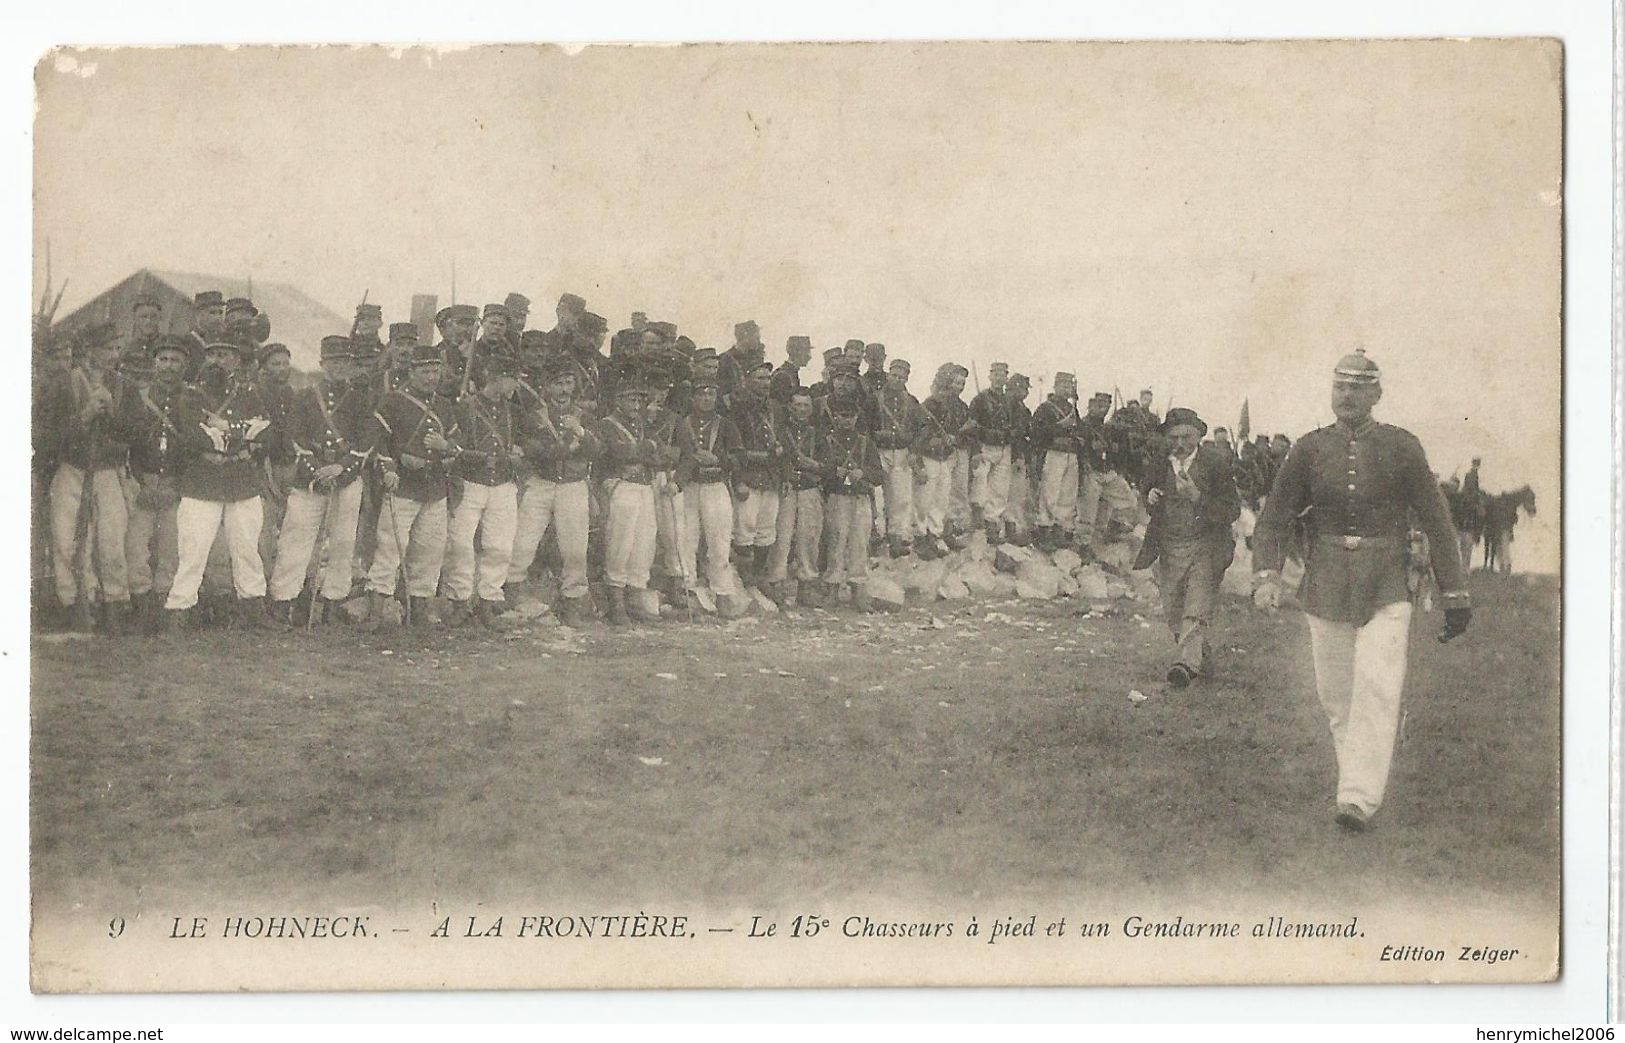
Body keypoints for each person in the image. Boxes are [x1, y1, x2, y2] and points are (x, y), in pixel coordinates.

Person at [1252, 349, 1471, 833]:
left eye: (1357, 388)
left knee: (1377, 685)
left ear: (1377, 394)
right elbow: (1273, 519)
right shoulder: (1308, 449)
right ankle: (1356, 781)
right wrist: (1266, 576)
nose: (1346, 396)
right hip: (1325, 583)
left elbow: (1437, 520)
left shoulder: (1402, 447)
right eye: (1339, 387)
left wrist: (1455, 592)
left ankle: (1357, 799)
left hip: (1388, 583)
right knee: (1337, 696)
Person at [162, 336, 276, 630]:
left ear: (236, 361)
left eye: (225, 355)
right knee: (193, 549)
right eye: (212, 355)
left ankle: (253, 611)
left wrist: (224, 428)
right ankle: (179, 611)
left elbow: (266, 432)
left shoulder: (249, 393)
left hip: (242, 481)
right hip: (203, 481)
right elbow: (195, 436)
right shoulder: (191, 396)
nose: (217, 361)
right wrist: (243, 433)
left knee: (247, 548)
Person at [1132, 407, 1242, 689]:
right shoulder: (1160, 463)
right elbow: (1147, 490)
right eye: (1173, 438)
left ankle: (1185, 667)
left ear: (1198, 435)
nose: (1179, 444)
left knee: (1196, 604)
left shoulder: (1216, 463)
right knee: (1174, 609)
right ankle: (1199, 657)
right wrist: (1150, 496)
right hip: (1169, 546)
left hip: (1206, 544)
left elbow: (1232, 509)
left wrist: (1197, 497)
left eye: (1186, 437)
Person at [266, 336, 372, 626]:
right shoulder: (304, 396)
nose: (339, 367)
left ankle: (334, 602)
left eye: (345, 361)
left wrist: (341, 468)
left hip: (346, 479)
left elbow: (366, 440)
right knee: (295, 538)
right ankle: (283, 601)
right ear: (322, 363)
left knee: (342, 541)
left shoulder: (361, 398)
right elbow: (295, 439)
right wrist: (318, 470)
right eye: (333, 361)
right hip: (309, 479)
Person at [41, 322, 133, 633]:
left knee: (112, 540)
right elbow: (47, 437)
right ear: (90, 351)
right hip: (72, 470)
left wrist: (111, 415)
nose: (113, 355)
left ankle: (115, 606)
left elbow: (134, 433)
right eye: (108, 348)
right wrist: (85, 416)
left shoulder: (123, 385)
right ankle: (76, 605)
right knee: (68, 540)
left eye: (117, 348)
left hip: (107, 472)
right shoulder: (64, 384)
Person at [363, 343, 458, 626]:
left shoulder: (443, 405)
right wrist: (389, 469)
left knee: (430, 550)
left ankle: (419, 609)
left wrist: (446, 446)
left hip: (434, 488)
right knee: (390, 547)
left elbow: (457, 446)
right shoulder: (392, 402)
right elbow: (377, 443)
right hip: (402, 487)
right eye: (425, 371)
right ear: (412, 372)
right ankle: (376, 611)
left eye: (435, 371)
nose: (431, 377)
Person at [503, 361, 600, 625]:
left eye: (568, 383)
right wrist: (568, 448)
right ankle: (512, 588)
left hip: (573, 484)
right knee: (523, 540)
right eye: (557, 383)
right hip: (541, 483)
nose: (563, 389)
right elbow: (535, 451)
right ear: (546, 387)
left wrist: (579, 432)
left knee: (575, 547)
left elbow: (597, 450)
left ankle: (573, 599)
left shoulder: (585, 416)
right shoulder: (534, 416)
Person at [443, 344, 524, 626]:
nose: (516, 385)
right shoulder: (464, 407)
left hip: (503, 484)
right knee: (461, 544)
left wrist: (517, 456)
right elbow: (453, 447)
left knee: (499, 546)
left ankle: (489, 601)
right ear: (497, 378)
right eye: (512, 379)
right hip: (470, 483)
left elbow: (524, 446)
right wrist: (483, 458)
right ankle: (459, 600)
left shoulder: (514, 411)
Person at [594, 366, 665, 625]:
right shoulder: (607, 424)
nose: (636, 405)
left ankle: (635, 597)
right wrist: (644, 450)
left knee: (644, 543)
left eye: (639, 400)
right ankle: (616, 601)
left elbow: (660, 453)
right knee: (620, 542)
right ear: (618, 401)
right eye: (630, 399)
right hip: (620, 486)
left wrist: (643, 451)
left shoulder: (643, 425)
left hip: (645, 486)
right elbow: (617, 452)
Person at [674, 373, 745, 612]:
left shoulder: (726, 424)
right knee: (686, 539)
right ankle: (688, 591)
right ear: (693, 397)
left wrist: (718, 458)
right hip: (689, 486)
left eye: (711, 393)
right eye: (701, 393)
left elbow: (739, 458)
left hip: (716, 486)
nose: (706, 398)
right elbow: (677, 455)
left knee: (719, 540)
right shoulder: (682, 424)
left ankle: (723, 593)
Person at [818, 361, 883, 612]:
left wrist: (862, 472)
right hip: (838, 497)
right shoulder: (827, 442)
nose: (845, 420)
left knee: (859, 543)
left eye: (849, 416)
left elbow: (878, 475)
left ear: (856, 417)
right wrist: (835, 472)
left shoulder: (866, 444)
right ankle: (832, 589)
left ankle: (858, 591)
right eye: (840, 415)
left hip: (860, 498)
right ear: (834, 417)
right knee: (835, 542)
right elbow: (821, 471)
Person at [766, 388, 827, 607]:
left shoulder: (818, 433)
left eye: (806, 406)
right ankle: (776, 583)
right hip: (787, 488)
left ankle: (806, 584)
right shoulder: (779, 432)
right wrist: (783, 475)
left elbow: (829, 465)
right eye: (798, 405)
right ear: (790, 407)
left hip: (810, 489)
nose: (801, 410)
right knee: (781, 536)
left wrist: (816, 466)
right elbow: (773, 459)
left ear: (811, 409)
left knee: (809, 537)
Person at [728, 360, 784, 592]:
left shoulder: (775, 409)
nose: (764, 383)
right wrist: (738, 480)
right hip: (748, 476)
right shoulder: (738, 409)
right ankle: (744, 578)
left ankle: (759, 576)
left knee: (766, 527)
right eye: (759, 378)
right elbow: (734, 448)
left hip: (771, 478)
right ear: (748, 381)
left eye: (767, 378)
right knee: (745, 527)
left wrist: (784, 475)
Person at [911, 363, 963, 559]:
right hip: (928, 458)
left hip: (944, 458)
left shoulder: (947, 409)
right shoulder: (924, 408)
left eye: (947, 389)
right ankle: (921, 537)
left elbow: (955, 432)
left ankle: (935, 533)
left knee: (941, 498)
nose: (943, 393)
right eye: (940, 388)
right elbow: (918, 438)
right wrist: (936, 441)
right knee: (923, 500)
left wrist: (952, 439)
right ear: (933, 387)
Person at [873, 358, 922, 557]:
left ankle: (895, 537)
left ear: (907, 378)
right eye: (894, 375)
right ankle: (876, 535)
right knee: (876, 496)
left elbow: (921, 429)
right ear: (888, 374)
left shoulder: (912, 402)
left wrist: (914, 450)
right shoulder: (874, 398)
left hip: (901, 453)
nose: (897, 379)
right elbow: (866, 427)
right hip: (879, 451)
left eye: (901, 377)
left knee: (900, 498)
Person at [1029, 371, 1082, 551]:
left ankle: (1059, 530)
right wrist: (1058, 428)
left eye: (1069, 386)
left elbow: (1079, 431)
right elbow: (1035, 432)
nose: (1066, 390)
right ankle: (1044, 531)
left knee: (1067, 494)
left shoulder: (1072, 409)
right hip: (1053, 454)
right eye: (1063, 386)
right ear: (1056, 386)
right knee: (1050, 493)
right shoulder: (1045, 408)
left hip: (1070, 454)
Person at [967, 360, 1016, 541]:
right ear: (990, 376)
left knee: (999, 488)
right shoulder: (979, 400)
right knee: (980, 485)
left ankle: (992, 524)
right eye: (995, 374)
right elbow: (972, 427)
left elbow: (1016, 424)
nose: (998, 378)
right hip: (985, 446)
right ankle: (976, 522)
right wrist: (977, 448)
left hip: (1004, 447)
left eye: (1002, 375)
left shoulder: (1010, 401)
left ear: (1006, 378)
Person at [770, 335, 813, 404]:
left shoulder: (790, 373)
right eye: (806, 351)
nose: (809, 356)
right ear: (796, 352)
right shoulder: (783, 376)